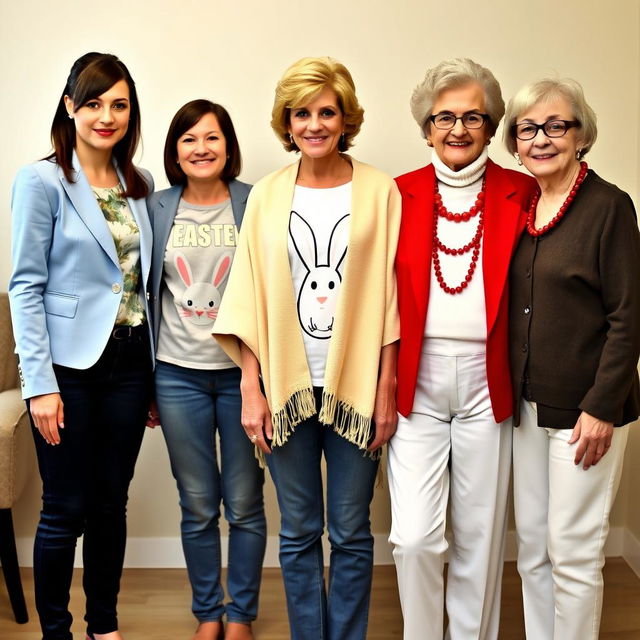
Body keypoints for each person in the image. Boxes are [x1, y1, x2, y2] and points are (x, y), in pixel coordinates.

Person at [213, 56, 401, 640]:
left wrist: (386, 387)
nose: (315, 124)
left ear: (345, 118)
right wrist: (252, 386)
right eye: (302, 113)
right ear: (287, 122)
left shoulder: (379, 191)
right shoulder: (268, 197)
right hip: (286, 386)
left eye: (327, 111)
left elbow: (393, 293)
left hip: (356, 388)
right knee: (296, 530)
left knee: (348, 530)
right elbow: (247, 295)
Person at [8, 52, 153, 640]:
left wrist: (153, 377)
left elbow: (143, 285)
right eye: (94, 102)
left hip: (130, 363)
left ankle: (104, 625)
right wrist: (38, 384)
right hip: (67, 368)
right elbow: (26, 285)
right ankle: (57, 631)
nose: (106, 115)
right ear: (70, 106)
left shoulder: (138, 186)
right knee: (64, 508)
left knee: (110, 505)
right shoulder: (41, 180)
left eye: (119, 104)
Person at [389, 58, 535, 640]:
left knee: (479, 534)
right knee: (416, 537)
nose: (457, 129)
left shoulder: (522, 192)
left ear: (492, 124)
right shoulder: (397, 195)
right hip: (416, 379)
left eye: (473, 116)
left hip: (489, 377)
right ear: (426, 126)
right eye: (444, 116)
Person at [503, 77, 640, 640]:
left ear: (581, 135)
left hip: (587, 414)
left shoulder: (609, 206)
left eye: (556, 126)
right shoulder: (519, 204)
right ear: (514, 140)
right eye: (528, 128)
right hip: (526, 409)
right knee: (533, 546)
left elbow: (629, 316)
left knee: (575, 551)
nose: (541, 139)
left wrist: (602, 406)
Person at [147, 100, 266, 640]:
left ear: (228, 145)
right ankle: (208, 614)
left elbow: (268, 296)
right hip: (177, 375)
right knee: (197, 504)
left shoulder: (254, 202)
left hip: (243, 376)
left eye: (211, 137)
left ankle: (240, 614)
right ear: (175, 150)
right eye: (189, 139)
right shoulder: (154, 208)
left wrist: (259, 378)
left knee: (243, 503)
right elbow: (143, 293)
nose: (201, 148)